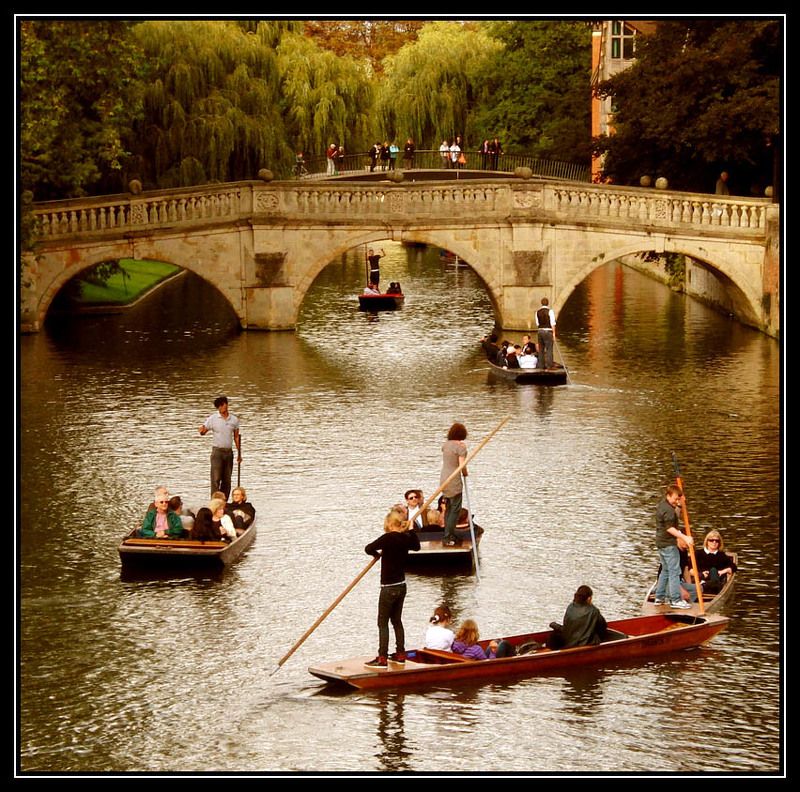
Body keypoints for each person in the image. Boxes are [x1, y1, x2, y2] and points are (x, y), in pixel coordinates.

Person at [364, 508, 421, 668]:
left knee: (382, 622)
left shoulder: (387, 538)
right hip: (402, 585)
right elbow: (417, 547)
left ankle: (382, 657)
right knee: (396, 620)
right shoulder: (405, 538)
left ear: (389, 524)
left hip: (388, 587)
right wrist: (411, 531)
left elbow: (368, 548)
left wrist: (376, 554)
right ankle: (400, 653)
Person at [653, 484, 694, 609]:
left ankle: (659, 597)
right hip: (669, 544)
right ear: (668, 495)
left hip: (661, 543)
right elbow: (670, 528)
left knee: (665, 570)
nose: (676, 501)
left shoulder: (664, 505)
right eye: (675, 499)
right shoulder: (668, 510)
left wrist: (680, 505)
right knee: (674, 571)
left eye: (678, 499)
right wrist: (685, 537)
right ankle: (675, 600)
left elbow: (674, 515)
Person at [199, 395, 241, 500]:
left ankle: (224, 501)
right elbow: (203, 431)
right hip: (217, 452)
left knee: (227, 479)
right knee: (216, 478)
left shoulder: (234, 420)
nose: (222, 407)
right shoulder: (213, 418)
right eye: (220, 406)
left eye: (223, 405)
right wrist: (201, 431)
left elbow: (236, 437)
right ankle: (214, 501)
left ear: (227, 405)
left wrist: (239, 453)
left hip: (228, 452)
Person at [440, 422, 468, 547]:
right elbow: (462, 466)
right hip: (454, 480)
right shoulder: (461, 448)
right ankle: (448, 537)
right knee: (455, 510)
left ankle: (449, 533)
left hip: (444, 479)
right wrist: (466, 474)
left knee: (449, 508)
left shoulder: (445, 445)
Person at [692, 530, 737, 594]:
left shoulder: (721, 555)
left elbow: (733, 567)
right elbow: (690, 567)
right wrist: (701, 574)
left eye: (717, 541)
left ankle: (706, 586)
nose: (714, 542)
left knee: (713, 571)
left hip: (716, 582)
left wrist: (722, 571)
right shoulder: (698, 553)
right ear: (707, 541)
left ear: (719, 543)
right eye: (711, 540)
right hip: (701, 579)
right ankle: (704, 586)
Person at [535, 297, 557, 370]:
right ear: (548, 303)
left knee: (541, 349)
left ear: (541, 303)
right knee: (549, 349)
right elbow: (552, 323)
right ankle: (549, 365)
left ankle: (541, 365)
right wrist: (554, 334)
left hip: (540, 331)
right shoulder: (550, 311)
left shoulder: (537, 312)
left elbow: (537, 323)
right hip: (548, 331)